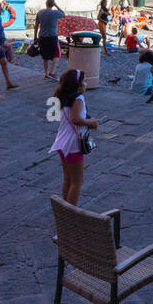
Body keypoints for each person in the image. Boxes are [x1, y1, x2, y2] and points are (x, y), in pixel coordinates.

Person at [49, 69, 98, 205]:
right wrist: (91, 123)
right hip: (73, 145)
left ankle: (66, 209)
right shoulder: (78, 99)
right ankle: (71, 214)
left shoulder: (64, 97)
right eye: (84, 81)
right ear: (78, 85)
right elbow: (75, 119)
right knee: (77, 182)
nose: (86, 84)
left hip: (62, 142)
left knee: (68, 179)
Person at [34, 0, 65, 81]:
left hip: (42, 37)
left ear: (46, 3)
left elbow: (36, 25)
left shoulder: (40, 13)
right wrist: (56, 5)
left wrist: (35, 37)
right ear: (53, 4)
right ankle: (51, 73)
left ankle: (46, 73)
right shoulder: (55, 13)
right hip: (52, 37)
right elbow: (63, 14)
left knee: (45, 56)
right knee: (57, 54)